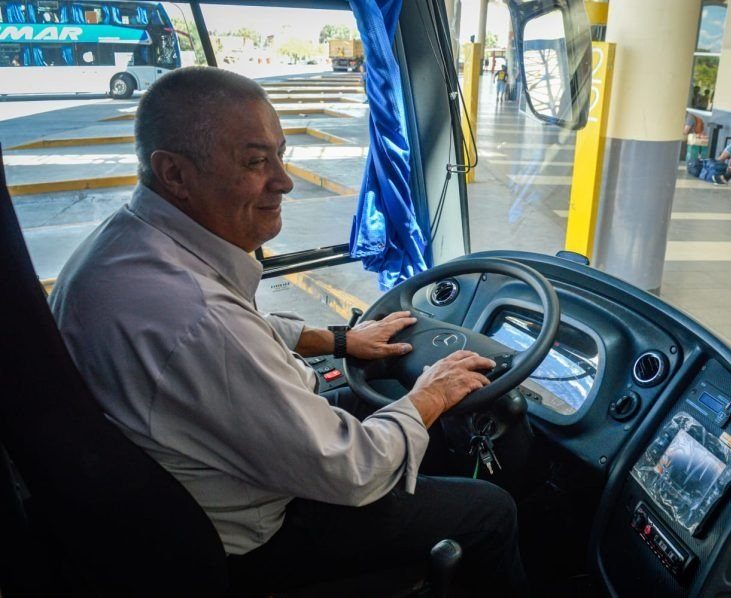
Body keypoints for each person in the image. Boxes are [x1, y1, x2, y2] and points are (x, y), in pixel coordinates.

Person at [49, 67, 527, 596]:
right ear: (175, 174)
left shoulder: (130, 247)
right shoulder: (197, 318)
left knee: (377, 392)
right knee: (491, 510)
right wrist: (431, 393)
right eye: (256, 162)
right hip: (249, 538)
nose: (284, 180)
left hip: (178, 495)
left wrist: (341, 340)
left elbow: (237, 328)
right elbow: (357, 469)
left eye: (280, 154)